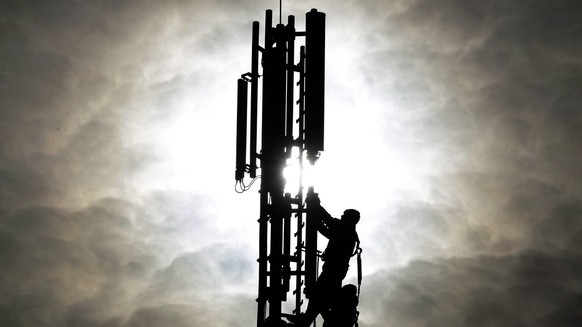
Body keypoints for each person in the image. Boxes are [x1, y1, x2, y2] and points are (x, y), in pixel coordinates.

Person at [293, 193, 360, 327]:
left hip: (333, 271)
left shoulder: (346, 231)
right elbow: (327, 229)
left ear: (349, 219)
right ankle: (307, 320)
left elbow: (328, 221)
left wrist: (316, 206)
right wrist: (316, 215)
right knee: (320, 296)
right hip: (335, 270)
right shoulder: (347, 232)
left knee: (318, 296)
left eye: (344, 215)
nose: (341, 217)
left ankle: (306, 321)